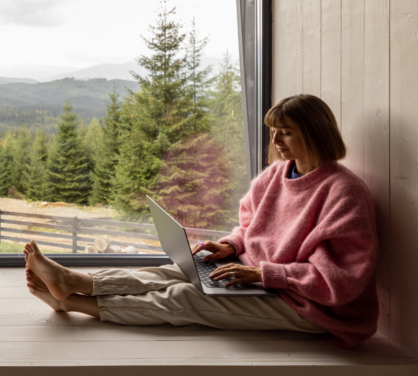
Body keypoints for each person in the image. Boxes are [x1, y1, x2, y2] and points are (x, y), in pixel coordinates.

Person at [23, 94, 379, 348]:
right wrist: (230, 246)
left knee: (185, 297)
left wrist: (262, 274)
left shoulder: (344, 193)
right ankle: (73, 279)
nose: (274, 139)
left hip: (307, 306)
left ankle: (71, 302)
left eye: (285, 131)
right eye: (273, 130)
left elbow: (341, 281)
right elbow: (249, 228)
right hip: (253, 276)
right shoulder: (275, 175)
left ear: (315, 133)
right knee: (177, 271)